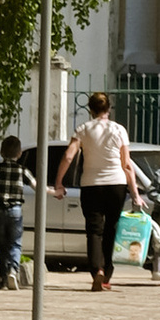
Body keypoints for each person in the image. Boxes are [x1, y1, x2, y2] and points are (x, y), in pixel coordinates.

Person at [57, 92, 138, 293]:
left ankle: (97, 270)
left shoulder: (83, 129)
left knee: (94, 230)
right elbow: (126, 164)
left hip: (91, 184)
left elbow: (68, 156)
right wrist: (135, 193)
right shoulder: (119, 129)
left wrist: (59, 182)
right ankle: (107, 276)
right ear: (108, 109)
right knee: (111, 228)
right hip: (116, 184)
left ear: (90, 110)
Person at [0, 134, 27, 292]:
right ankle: (13, 271)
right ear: (19, 153)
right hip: (15, 211)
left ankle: (2, 278)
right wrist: (53, 191)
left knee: (1, 245)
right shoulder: (21, 170)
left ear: (1, 152)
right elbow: (36, 185)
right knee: (15, 243)